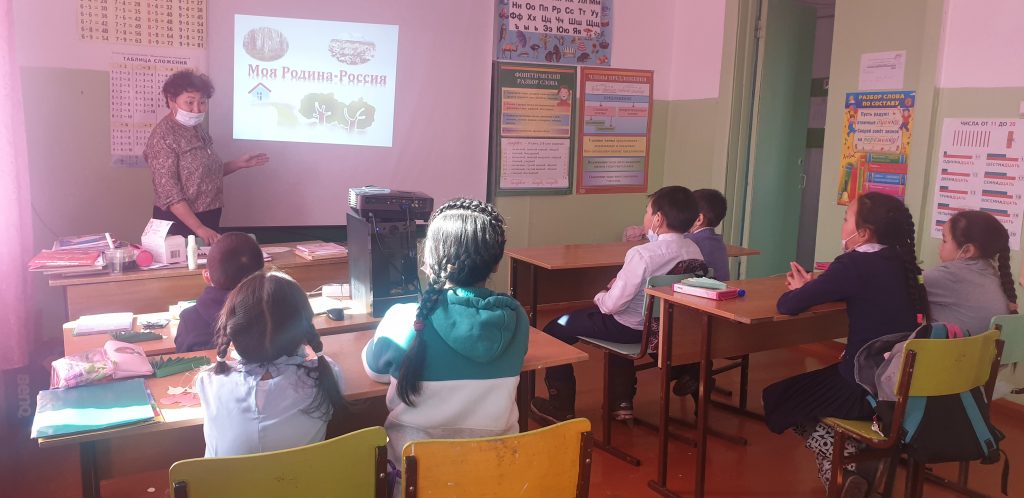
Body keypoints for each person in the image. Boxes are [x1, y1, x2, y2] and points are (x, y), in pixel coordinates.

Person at [763, 192, 926, 496]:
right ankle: (859, 461)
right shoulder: (903, 263)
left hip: (862, 387)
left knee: (778, 398)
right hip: (900, 385)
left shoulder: (853, 264)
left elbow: (788, 305)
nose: (842, 225)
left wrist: (801, 289)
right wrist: (815, 287)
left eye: (845, 219)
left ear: (863, 233)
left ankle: (844, 468)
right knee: (808, 392)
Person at [361, 198, 529, 464]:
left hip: (417, 475)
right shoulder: (516, 318)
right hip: (495, 473)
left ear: (429, 259)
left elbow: (374, 371)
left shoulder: (406, 318)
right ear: (497, 262)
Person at [531, 186, 703, 422]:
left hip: (629, 329)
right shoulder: (694, 250)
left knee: (556, 328)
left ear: (658, 219)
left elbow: (611, 307)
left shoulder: (642, 254)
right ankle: (621, 403)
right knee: (615, 325)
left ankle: (560, 407)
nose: (645, 217)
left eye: (647, 211)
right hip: (667, 328)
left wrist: (602, 293)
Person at [196, 271, 343, 457]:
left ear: (233, 333)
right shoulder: (326, 375)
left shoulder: (208, 382)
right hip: (301, 477)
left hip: (227, 478)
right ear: (303, 332)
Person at [144, 70, 270, 243]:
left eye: (202, 102)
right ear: (171, 100)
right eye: (190, 102)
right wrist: (199, 228)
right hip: (180, 223)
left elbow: (203, 174)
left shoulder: (196, 128)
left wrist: (238, 164)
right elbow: (169, 193)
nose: (197, 109)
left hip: (208, 217)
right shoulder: (163, 136)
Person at [925, 211, 1015, 334]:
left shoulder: (952, 275)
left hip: (951, 346)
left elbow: (905, 282)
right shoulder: (993, 274)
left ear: (967, 251)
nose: (939, 246)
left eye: (944, 240)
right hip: (980, 346)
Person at [175, 232, 265, 352]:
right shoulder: (276, 311)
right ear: (262, 275)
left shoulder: (189, 319)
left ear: (207, 276)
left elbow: (181, 357)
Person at [686, 188, 730, 281]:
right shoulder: (718, 241)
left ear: (699, 219)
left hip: (700, 289)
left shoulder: (690, 241)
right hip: (723, 288)